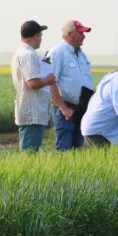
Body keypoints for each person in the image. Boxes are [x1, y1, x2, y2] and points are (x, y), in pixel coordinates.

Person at [10, 20, 56, 152]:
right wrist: (48, 79)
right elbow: (33, 83)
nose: (41, 39)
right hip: (32, 111)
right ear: (35, 36)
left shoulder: (21, 53)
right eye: (40, 35)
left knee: (30, 152)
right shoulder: (28, 55)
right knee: (29, 153)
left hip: (30, 110)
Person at [49, 19, 94, 151]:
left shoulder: (82, 55)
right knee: (64, 149)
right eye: (81, 33)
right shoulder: (57, 53)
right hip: (66, 111)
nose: (84, 36)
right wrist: (64, 109)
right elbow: (51, 83)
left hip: (81, 110)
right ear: (70, 34)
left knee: (77, 150)